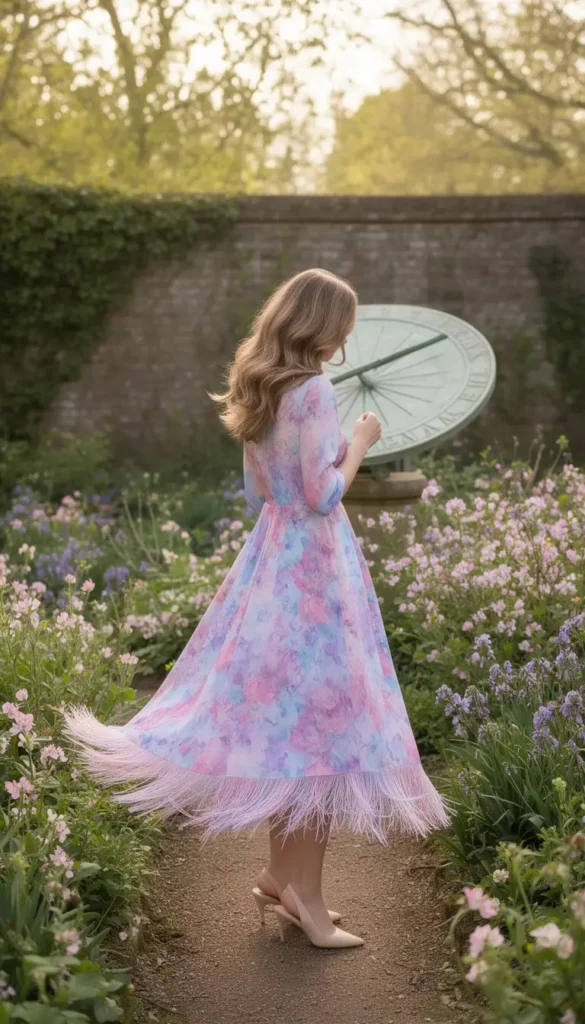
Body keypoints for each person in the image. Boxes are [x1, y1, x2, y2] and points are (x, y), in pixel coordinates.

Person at [64, 268, 449, 950]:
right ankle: (308, 898)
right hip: (316, 570)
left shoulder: (262, 389)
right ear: (320, 326)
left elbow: (259, 485)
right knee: (320, 732)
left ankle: (281, 874)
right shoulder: (313, 392)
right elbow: (322, 495)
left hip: (271, 561)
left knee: (288, 727)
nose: (344, 343)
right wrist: (360, 440)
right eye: (342, 330)